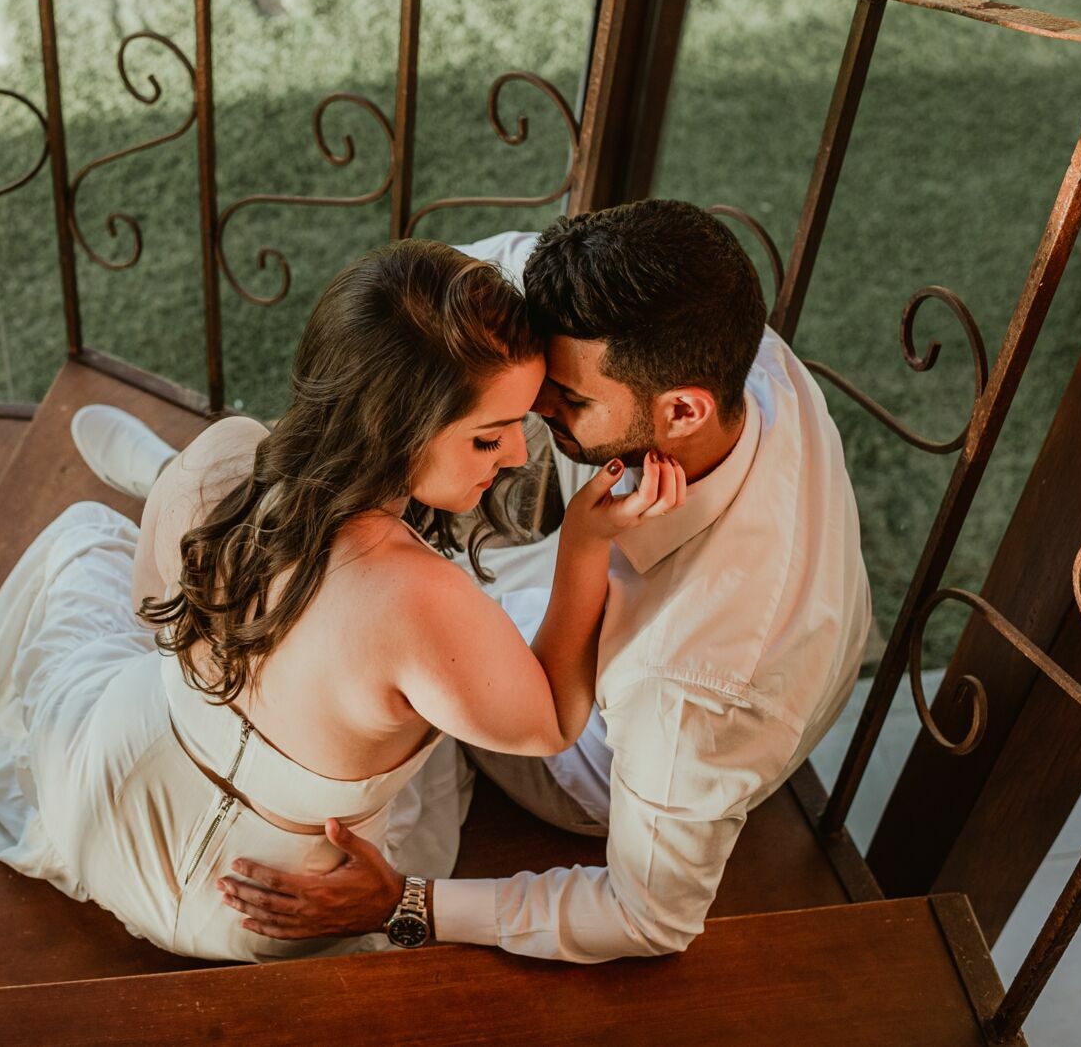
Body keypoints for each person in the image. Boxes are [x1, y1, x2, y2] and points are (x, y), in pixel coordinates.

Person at [0, 238, 685, 962]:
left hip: (104, 804)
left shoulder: (227, 458)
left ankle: (168, 483)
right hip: (252, 920)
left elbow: (151, 620)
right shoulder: (426, 604)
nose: (517, 454)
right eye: (490, 437)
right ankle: (171, 494)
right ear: (398, 429)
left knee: (96, 537)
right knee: (438, 731)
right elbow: (550, 721)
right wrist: (585, 547)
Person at [202, 201, 873, 960]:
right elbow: (419, 325)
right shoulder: (728, 348)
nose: (528, 417)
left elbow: (648, 918)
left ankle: (235, 515)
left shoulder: (694, 688)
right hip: (665, 634)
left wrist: (403, 904)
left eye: (567, 399)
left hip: (593, 751)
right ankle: (231, 496)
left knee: (391, 625)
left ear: (683, 409)